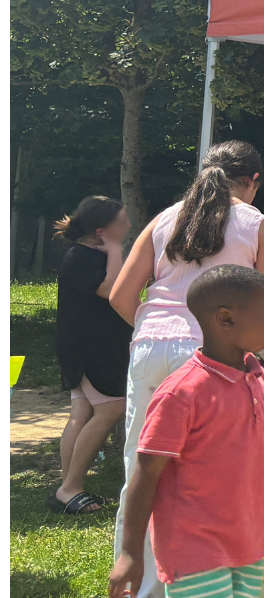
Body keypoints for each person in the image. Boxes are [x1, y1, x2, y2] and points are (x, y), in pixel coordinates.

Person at [109, 140, 264, 598]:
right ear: (253, 181)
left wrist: (155, 331)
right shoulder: (258, 224)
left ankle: (138, 581)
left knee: (142, 466)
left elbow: (120, 295)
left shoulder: (164, 219)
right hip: (214, 352)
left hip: (151, 349)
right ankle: (206, 573)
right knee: (214, 473)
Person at [108, 265, 264, 598]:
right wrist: (130, 553)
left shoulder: (257, 376)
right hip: (193, 549)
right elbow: (146, 474)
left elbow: (262, 451)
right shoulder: (181, 393)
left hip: (247, 542)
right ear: (225, 318)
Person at [49, 195, 133, 515]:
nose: (127, 226)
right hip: (90, 346)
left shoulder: (88, 254)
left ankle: (69, 488)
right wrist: (116, 253)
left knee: (82, 412)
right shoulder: (82, 256)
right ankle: (70, 488)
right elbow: (112, 291)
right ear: (102, 231)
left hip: (87, 343)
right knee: (111, 409)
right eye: (122, 222)